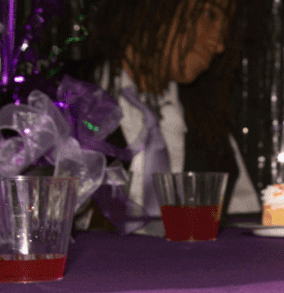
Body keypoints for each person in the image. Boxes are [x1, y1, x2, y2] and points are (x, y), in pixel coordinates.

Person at [73, 0, 259, 227]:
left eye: (225, 24)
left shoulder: (211, 128)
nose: (219, 43)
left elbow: (245, 229)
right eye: (210, 14)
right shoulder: (63, 104)